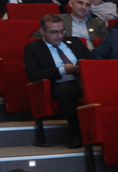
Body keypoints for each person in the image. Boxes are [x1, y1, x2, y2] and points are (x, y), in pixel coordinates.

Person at [23, 15, 90, 146]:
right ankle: (79, 133)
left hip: (84, 81)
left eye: (61, 31)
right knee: (64, 91)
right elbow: (33, 74)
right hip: (59, 84)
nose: (59, 36)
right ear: (42, 31)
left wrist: (83, 65)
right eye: (54, 32)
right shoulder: (33, 49)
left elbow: (93, 61)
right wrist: (62, 70)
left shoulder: (75, 42)